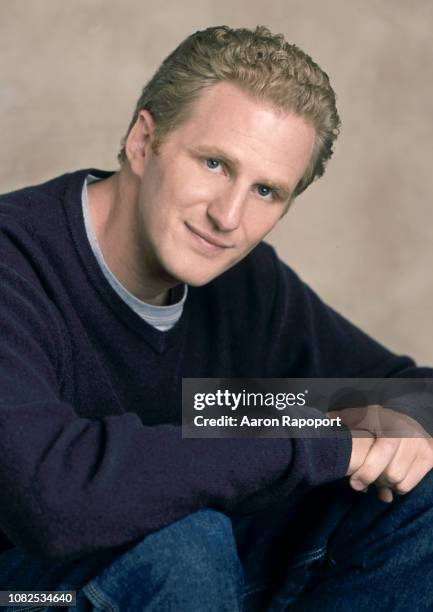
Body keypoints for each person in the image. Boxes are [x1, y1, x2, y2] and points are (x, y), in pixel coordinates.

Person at [0, 24, 432, 611]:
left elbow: (412, 390)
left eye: (265, 192)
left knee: (418, 483)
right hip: (23, 592)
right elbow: (51, 496)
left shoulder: (245, 286)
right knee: (184, 543)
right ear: (143, 140)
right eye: (213, 164)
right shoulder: (15, 262)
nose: (228, 217)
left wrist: (380, 419)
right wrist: (320, 437)